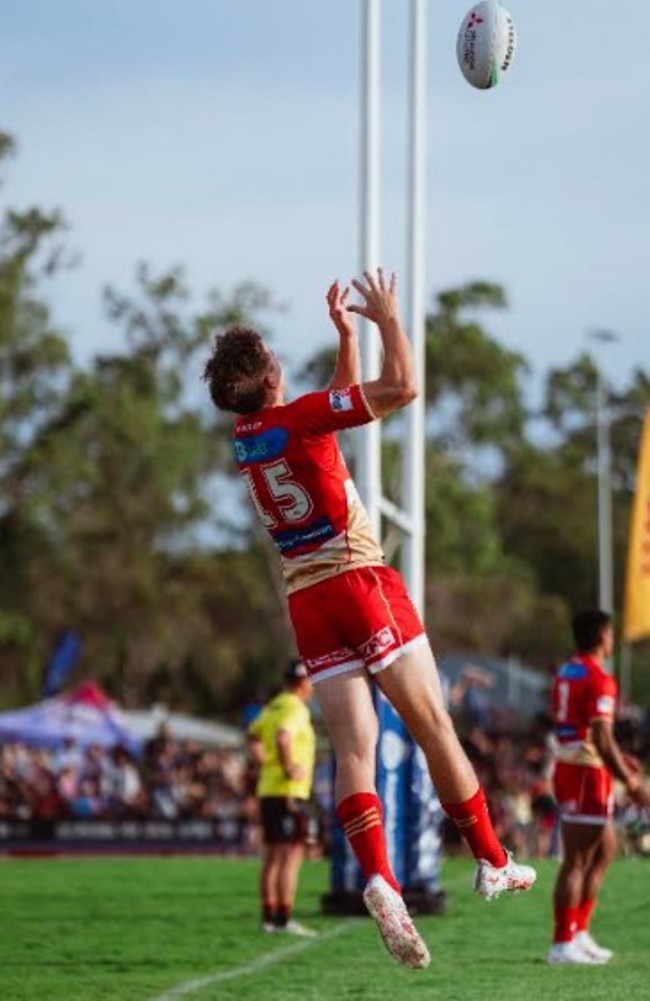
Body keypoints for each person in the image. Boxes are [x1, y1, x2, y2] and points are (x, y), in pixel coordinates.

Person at [203, 268, 536, 969]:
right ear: (269, 379)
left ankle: (379, 877)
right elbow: (402, 390)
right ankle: (491, 857)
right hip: (359, 579)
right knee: (432, 726)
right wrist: (386, 320)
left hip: (308, 600)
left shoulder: (249, 438)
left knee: (354, 750)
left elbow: (327, 410)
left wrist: (345, 339)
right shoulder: (299, 417)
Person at [548, 608, 650, 965]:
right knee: (576, 859)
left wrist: (620, 761)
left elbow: (589, 733)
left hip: (577, 767)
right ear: (603, 637)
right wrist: (631, 781)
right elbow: (600, 735)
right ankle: (562, 943)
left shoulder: (567, 670)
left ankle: (578, 932)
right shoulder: (599, 677)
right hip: (584, 773)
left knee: (605, 849)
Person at [247, 659, 317, 937]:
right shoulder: (295, 707)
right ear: (303, 683)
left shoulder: (273, 706)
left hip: (268, 789)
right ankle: (283, 918)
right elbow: (283, 737)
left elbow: (252, 737)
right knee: (291, 855)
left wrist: (265, 764)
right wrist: (288, 766)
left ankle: (269, 918)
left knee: (273, 855)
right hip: (289, 791)